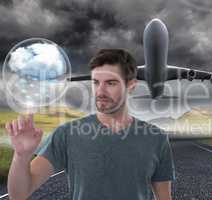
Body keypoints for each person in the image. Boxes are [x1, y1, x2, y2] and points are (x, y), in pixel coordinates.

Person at [5, 49, 176, 200]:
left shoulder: (156, 138)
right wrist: (21, 157)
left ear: (131, 85)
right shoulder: (67, 134)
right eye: (96, 82)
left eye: (110, 83)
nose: (100, 91)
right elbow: (19, 194)